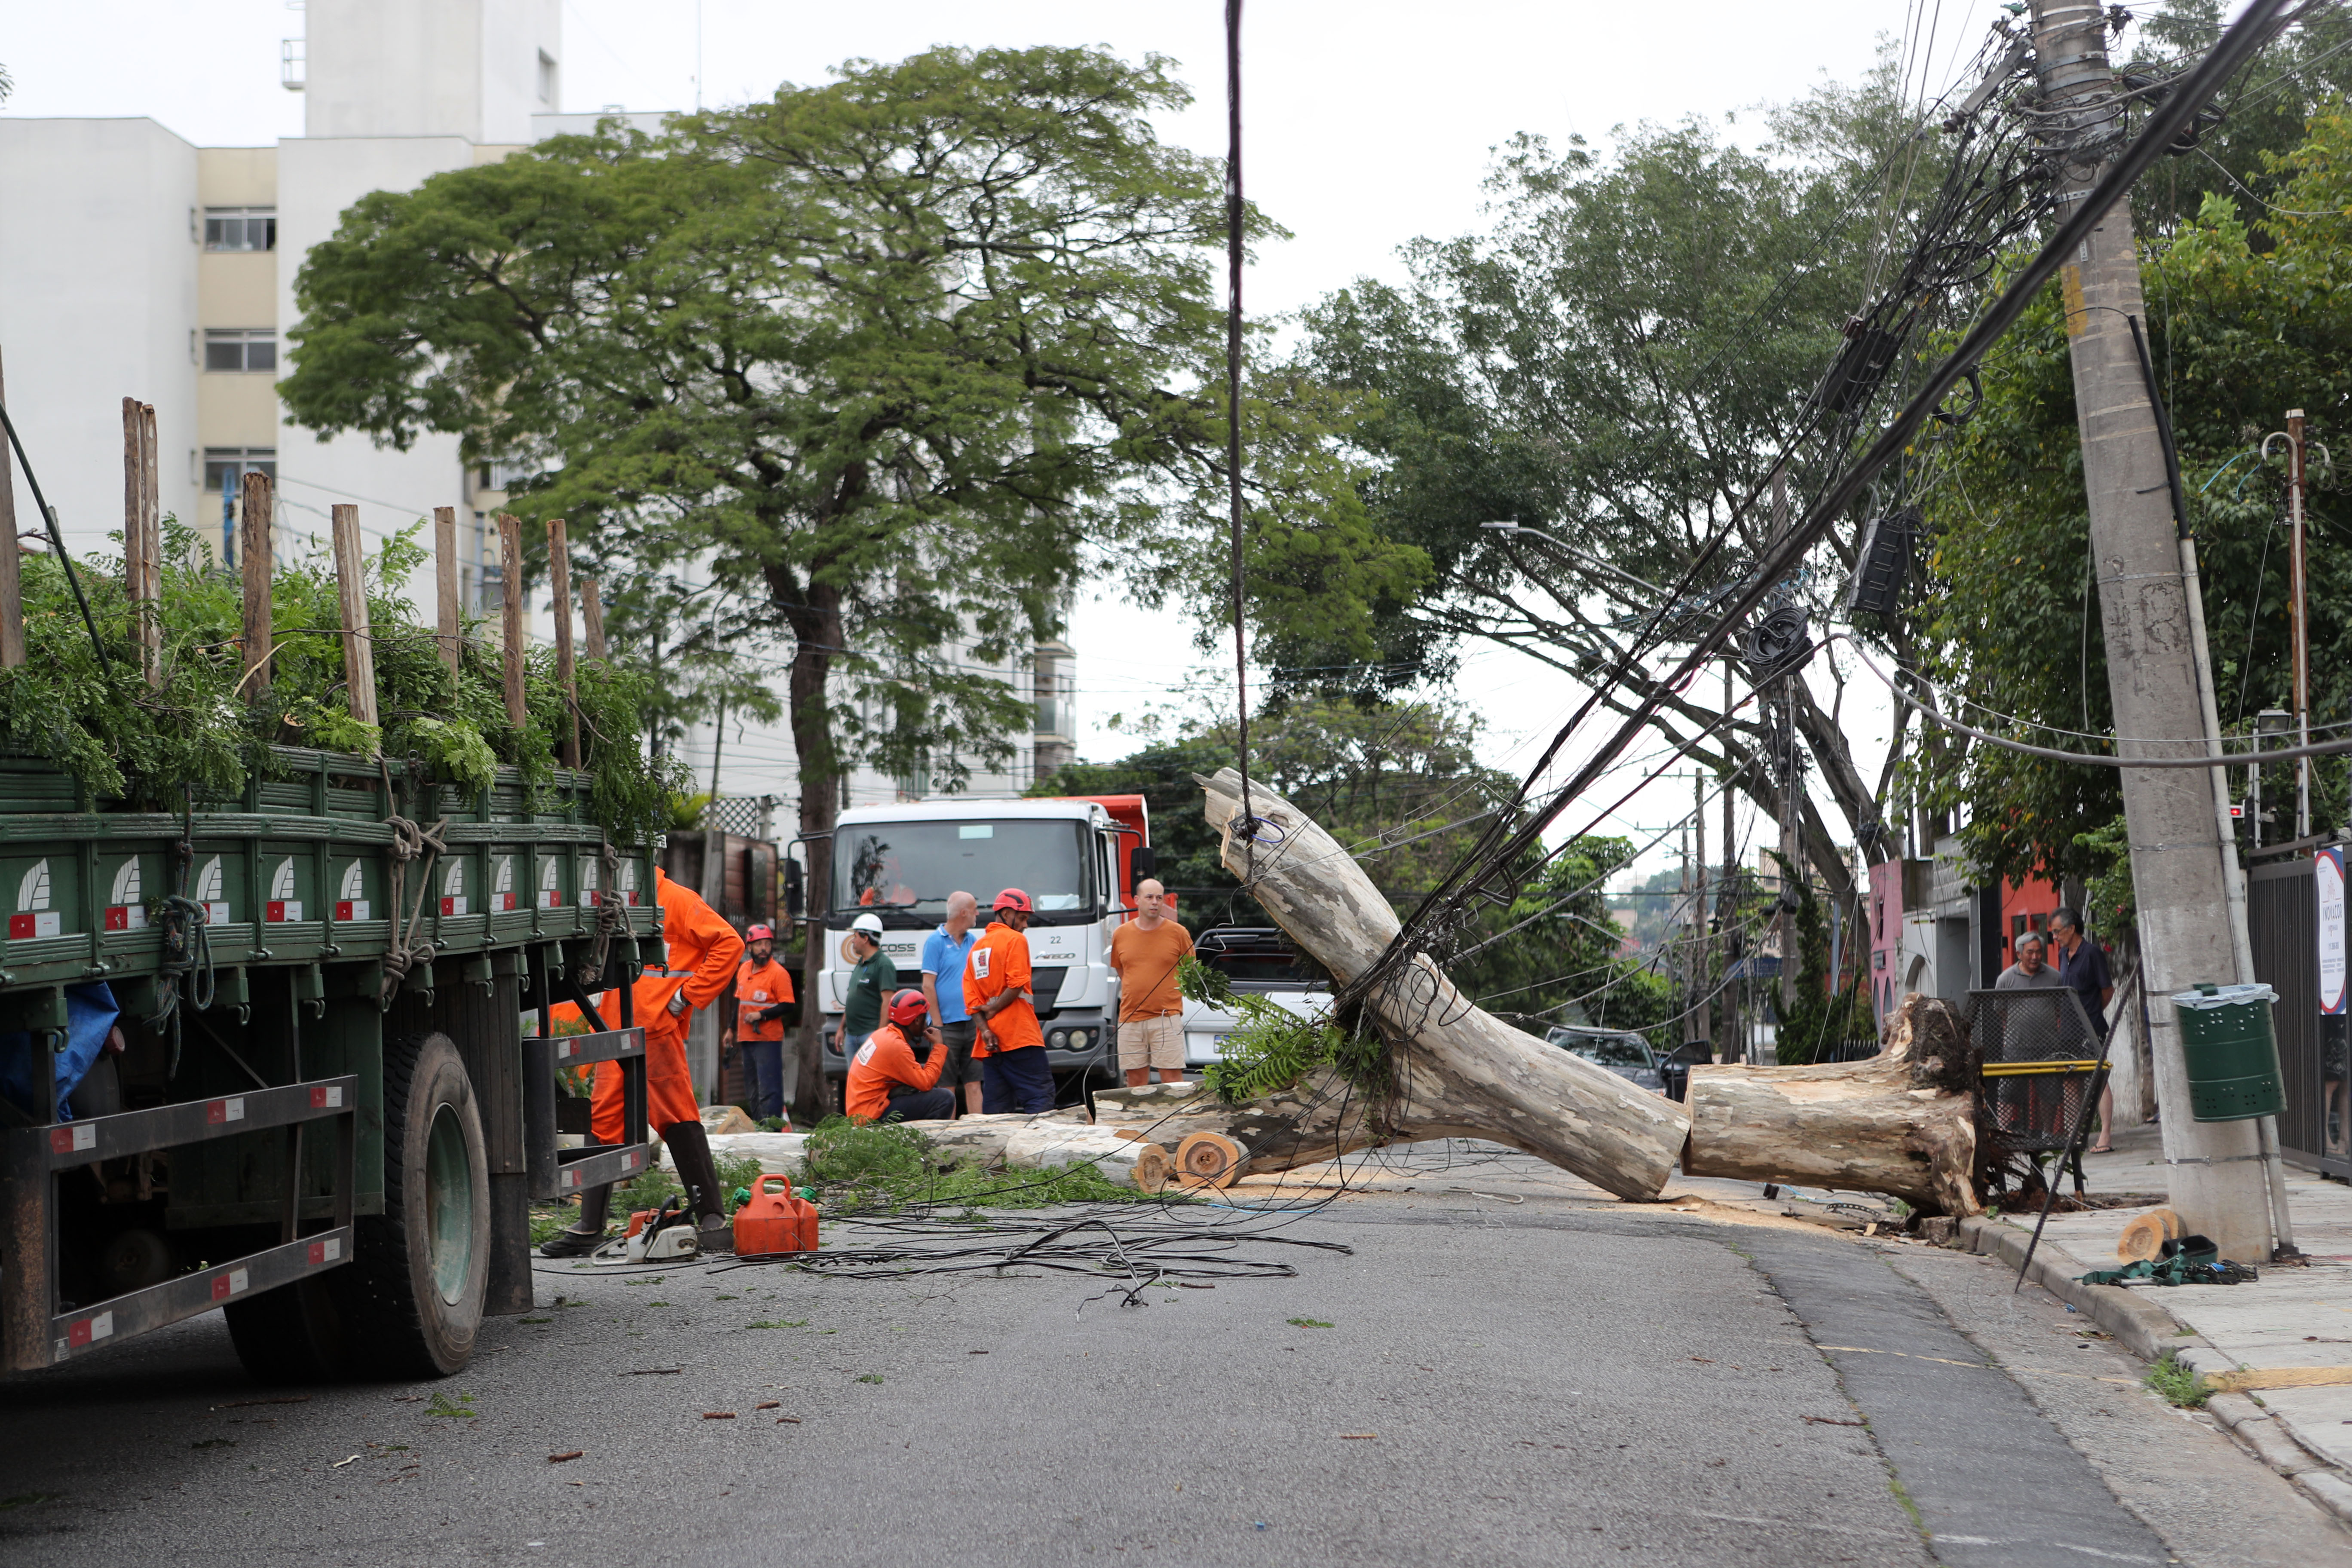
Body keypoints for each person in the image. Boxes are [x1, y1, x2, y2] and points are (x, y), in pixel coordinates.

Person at [541, 867, 745, 1257]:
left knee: (677, 1117)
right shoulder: (615, 902)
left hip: (653, 1029)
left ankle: (712, 1219)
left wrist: (686, 997)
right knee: (602, 1122)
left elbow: (729, 943)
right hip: (616, 1030)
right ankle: (589, 1228)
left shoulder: (675, 898)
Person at [966, 888, 1053, 1113]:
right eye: (1023, 918)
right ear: (1007, 914)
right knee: (1040, 1098)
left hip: (991, 1044)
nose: (1025, 925)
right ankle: (1040, 1149)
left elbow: (972, 1001)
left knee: (997, 1109)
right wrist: (995, 1008)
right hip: (1020, 1036)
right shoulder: (1016, 940)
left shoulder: (976, 948)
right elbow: (1017, 984)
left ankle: (996, 1150)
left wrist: (985, 1031)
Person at [1108, 877, 1193, 1087]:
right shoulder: (1121, 934)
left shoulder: (1178, 933)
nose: (1155, 902)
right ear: (1137, 900)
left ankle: (1176, 1120)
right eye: (1149, 897)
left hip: (1166, 1017)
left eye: (1159, 898)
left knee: (1172, 1080)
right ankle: (1139, 1121)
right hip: (1130, 1017)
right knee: (1135, 1082)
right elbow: (1121, 969)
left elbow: (1191, 970)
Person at [2049, 907, 2119, 1152]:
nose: (2055, 937)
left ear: (2071, 929)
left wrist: (2091, 1012)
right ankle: (2074, 1135)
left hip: (2090, 1027)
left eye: (2058, 932)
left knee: (2098, 1078)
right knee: (2070, 1079)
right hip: (2068, 1028)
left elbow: (2107, 990)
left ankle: (2106, 1136)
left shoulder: (2092, 954)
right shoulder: (2062, 955)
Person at [845, 988, 956, 1123]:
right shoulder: (896, 1046)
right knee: (944, 1099)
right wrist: (939, 1047)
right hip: (871, 1117)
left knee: (916, 1082)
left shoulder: (883, 1034)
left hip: (862, 1111)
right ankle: (926, 1141)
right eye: (924, 1017)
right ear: (916, 1020)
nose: (927, 1022)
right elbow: (926, 1083)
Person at [723, 923, 795, 1124]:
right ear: (750, 947)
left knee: (769, 1088)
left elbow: (788, 1006)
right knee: (753, 1087)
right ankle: (758, 1127)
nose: (764, 949)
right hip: (746, 1037)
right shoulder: (744, 969)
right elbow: (739, 1002)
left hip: (768, 1040)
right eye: (759, 944)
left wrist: (762, 1015)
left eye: (767, 944)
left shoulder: (779, 974)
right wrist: (731, 1030)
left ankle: (772, 1130)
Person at [920, 891, 984, 1116]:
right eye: (975, 909)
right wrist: (938, 1025)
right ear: (964, 913)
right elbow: (928, 985)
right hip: (946, 1026)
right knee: (946, 1087)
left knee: (975, 1083)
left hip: (972, 1023)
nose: (978, 913)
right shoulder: (935, 942)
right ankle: (948, 1137)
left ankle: (980, 1133)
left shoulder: (973, 942)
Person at [840, 910, 896, 1059]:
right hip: (852, 1036)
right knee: (854, 1081)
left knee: (871, 1081)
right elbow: (852, 998)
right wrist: (841, 1029)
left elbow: (888, 1002)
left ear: (865, 938)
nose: (852, 941)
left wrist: (880, 1036)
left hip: (870, 1035)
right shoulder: (860, 964)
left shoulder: (883, 965)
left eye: (855, 936)